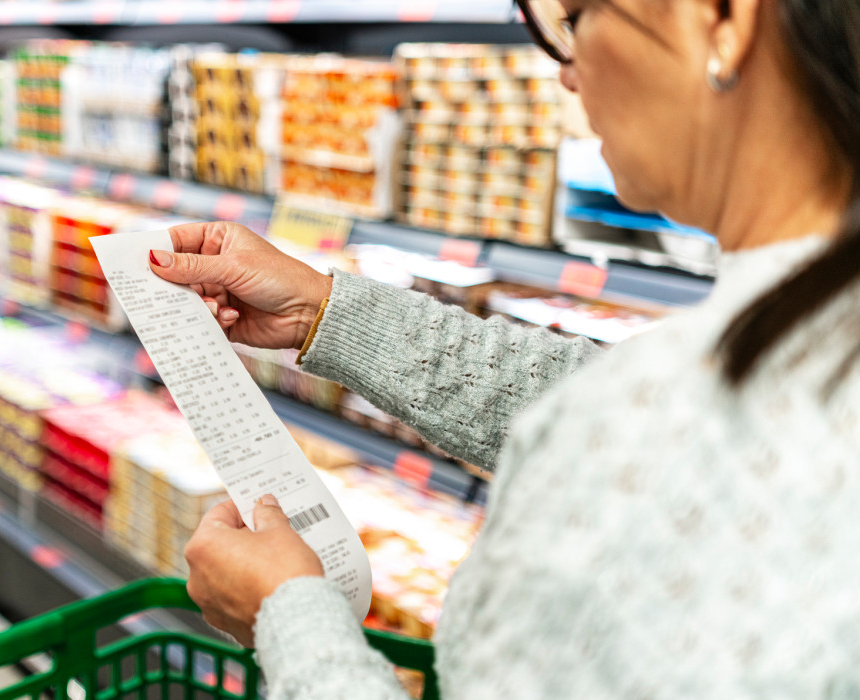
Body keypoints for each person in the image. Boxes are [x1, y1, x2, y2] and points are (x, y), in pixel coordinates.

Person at [149, 0, 860, 697]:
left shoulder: (686, 403)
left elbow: (637, 417)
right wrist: (324, 312)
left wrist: (288, 617)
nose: (566, 74)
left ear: (724, 17)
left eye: (572, 21)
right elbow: (603, 402)